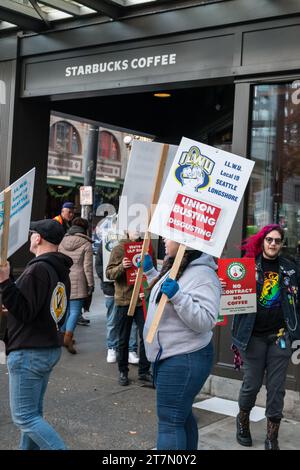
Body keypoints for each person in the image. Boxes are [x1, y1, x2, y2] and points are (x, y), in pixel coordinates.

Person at [141, 240, 221, 450]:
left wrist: (179, 297)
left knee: (169, 423)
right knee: (181, 417)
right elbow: (163, 297)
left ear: (187, 242)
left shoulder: (203, 274)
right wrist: (151, 273)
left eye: (170, 237)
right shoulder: (177, 265)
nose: (165, 241)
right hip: (169, 355)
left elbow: (206, 320)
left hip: (184, 357)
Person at [0, 219, 72, 450]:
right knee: (33, 414)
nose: (31, 236)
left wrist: (4, 281)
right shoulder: (59, 269)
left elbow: (25, 310)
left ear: (37, 238)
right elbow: (44, 308)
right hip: (46, 347)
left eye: (32, 233)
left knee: (25, 417)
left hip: (29, 351)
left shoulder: (38, 269)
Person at [232, 224, 300, 450]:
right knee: (251, 385)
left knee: (276, 389)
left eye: (277, 241)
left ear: (282, 244)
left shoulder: (290, 269)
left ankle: (272, 437)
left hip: (280, 338)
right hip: (252, 338)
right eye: (269, 239)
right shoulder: (247, 267)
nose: (273, 244)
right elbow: (231, 298)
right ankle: (242, 422)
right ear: (262, 241)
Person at [106, 232, 152, 386]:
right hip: (124, 301)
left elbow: (151, 273)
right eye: (135, 228)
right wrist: (122, 267)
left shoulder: (146, 247)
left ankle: (144, 372)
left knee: (146, 337)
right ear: (127, 230)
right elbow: (109, 273)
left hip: (141, 299)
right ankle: (123, 371)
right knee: (123, 338)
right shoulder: (119, 248)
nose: (138, 231)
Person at [95, 239, 139, 364]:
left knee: (132, 323)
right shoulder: (107, 242)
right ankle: (112, 348)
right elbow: (100, 266)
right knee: (112, 321)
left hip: (129, 291)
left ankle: (131, 349)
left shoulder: (135, 245)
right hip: (111, 289)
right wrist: (106, 282)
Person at [58, 217, 94, 354]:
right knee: (74, 311)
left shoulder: (62, 241)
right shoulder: (86, 243)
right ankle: (68, 337)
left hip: (63, 278)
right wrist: (90, 284)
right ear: (85, 229)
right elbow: (88, 268)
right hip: (79, 280)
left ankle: (61, 336)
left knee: (65, 310)